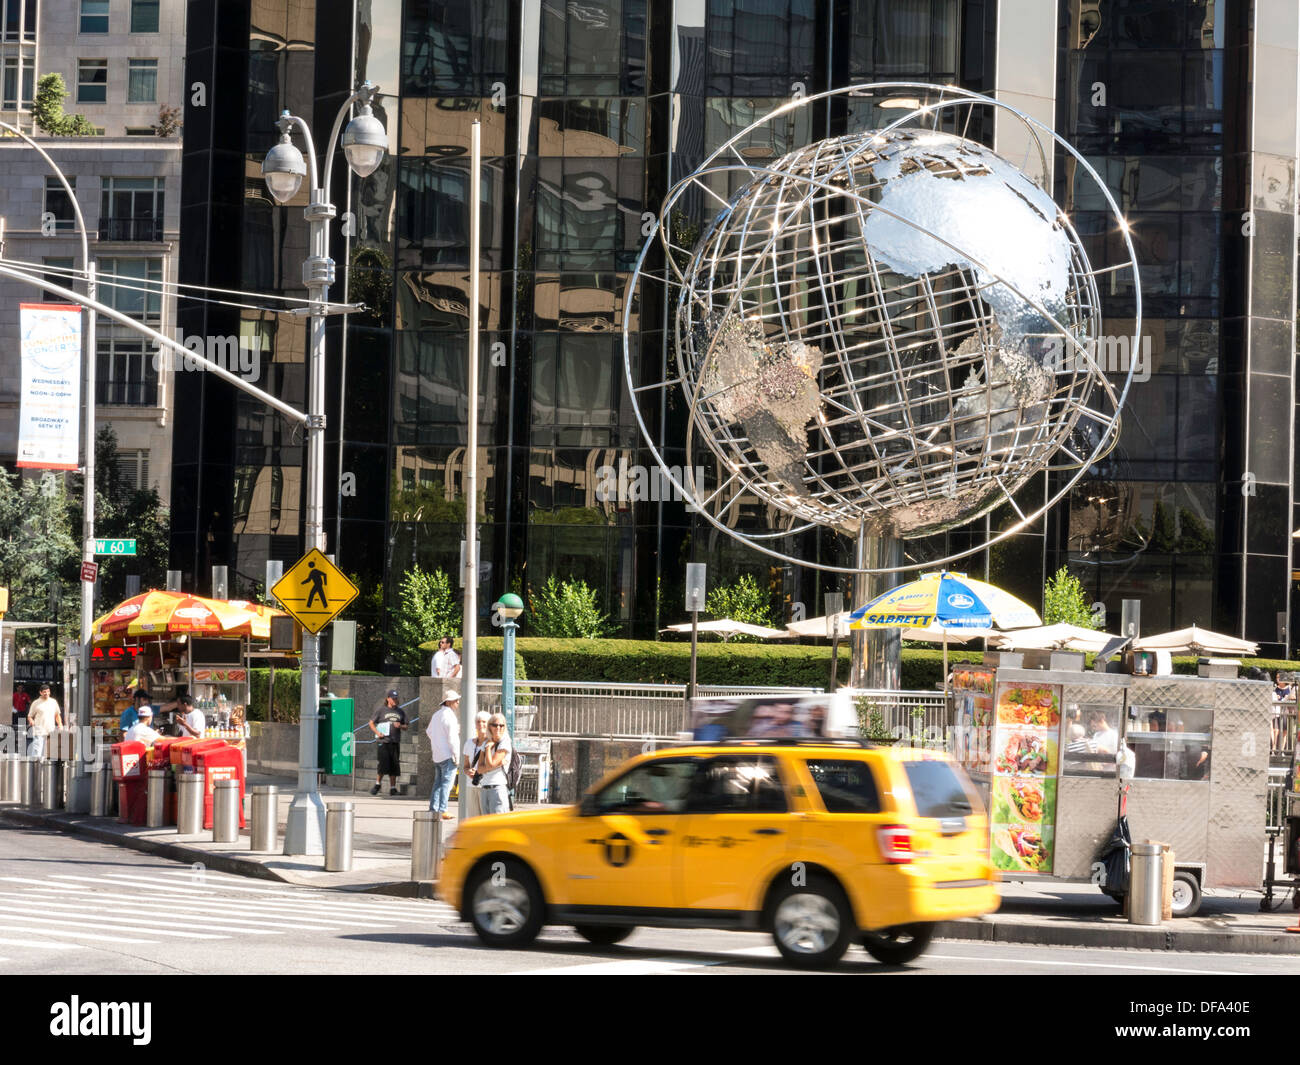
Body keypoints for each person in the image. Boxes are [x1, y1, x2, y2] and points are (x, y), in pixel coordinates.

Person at [425, 690, 462, 820]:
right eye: (456, 700)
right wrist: (457, 756)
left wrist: (437, 741)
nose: (458, 702)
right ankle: (443, 809)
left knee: (438, 783)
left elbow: (429, 731)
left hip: (437, 754)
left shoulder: (436, 714)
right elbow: (452, 738)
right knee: (446, 783)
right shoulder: (450, 717)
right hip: (448, 755)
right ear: (449, 702)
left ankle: (433, 809)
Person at [368, 689, 408, 796]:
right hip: (383, 741)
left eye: (396, 698)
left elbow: (406, 726)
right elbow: (371, 723)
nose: (395, 700)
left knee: (394, 765)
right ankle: (377, 785)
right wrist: (377, 732)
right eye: (393, 698)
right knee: (382, 763)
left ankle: (393, 788)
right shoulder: (381, 710)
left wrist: (400, 726)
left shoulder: (400, 711)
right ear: (388, 699)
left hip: (395, 741)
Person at [477, 713, 512, 814]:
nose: (498, 728)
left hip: (497, 789)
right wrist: (496, 764)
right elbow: (479, 769)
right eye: (495, 725)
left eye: (501, 725)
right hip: (484, 788)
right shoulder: (486, 742)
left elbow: (490, 765)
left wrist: (488, 749)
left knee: (498, 826)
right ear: (490, 727)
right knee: (487, 826)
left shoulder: (504, 742)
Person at [461, 711, 490, 819]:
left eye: (484, 722)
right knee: (473, 818)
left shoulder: (491, 744)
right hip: (471, 784)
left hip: (485, 785)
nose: (481, 724)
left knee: (486, 818)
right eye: (478, 722)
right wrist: (468, 772)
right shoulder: (469, 743)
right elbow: (465, 765)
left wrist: (479, 772)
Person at [26, 684, 62, 759]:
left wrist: (60, 724)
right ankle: (35, 769)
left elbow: (57, 715)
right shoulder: (36, 703)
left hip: (50, 731)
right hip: (39, 731)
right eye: (44, 692)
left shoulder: (53, 702)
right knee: (37, 753)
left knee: (48, 754)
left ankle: (46, 770)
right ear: (40, 693)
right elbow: (30, 716)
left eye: (48, 691)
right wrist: (31, 721)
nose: (46, 693)